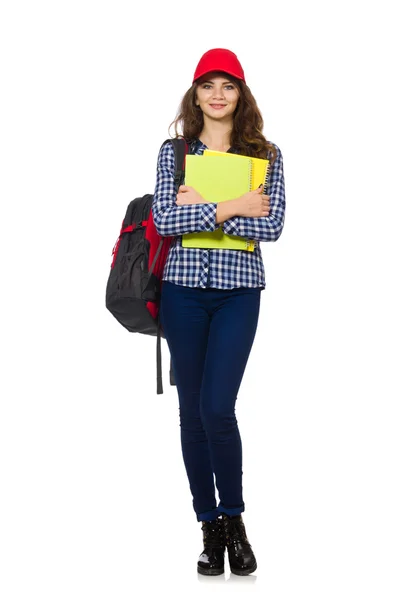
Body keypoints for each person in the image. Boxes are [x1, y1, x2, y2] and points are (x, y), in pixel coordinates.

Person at [152, 48, 286, 576]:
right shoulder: (175, 151)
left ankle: (235, 519)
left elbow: (271, 226)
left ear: (240, 94)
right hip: (182, 291)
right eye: (208, 84)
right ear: (195, 93)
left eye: (227, 85)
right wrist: (234, 207)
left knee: (217, 409)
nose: (217, 94)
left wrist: (201, 208)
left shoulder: (266, 153)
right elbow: (165, 217)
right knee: (191, 414)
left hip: (238, 294)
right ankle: (208, 527)